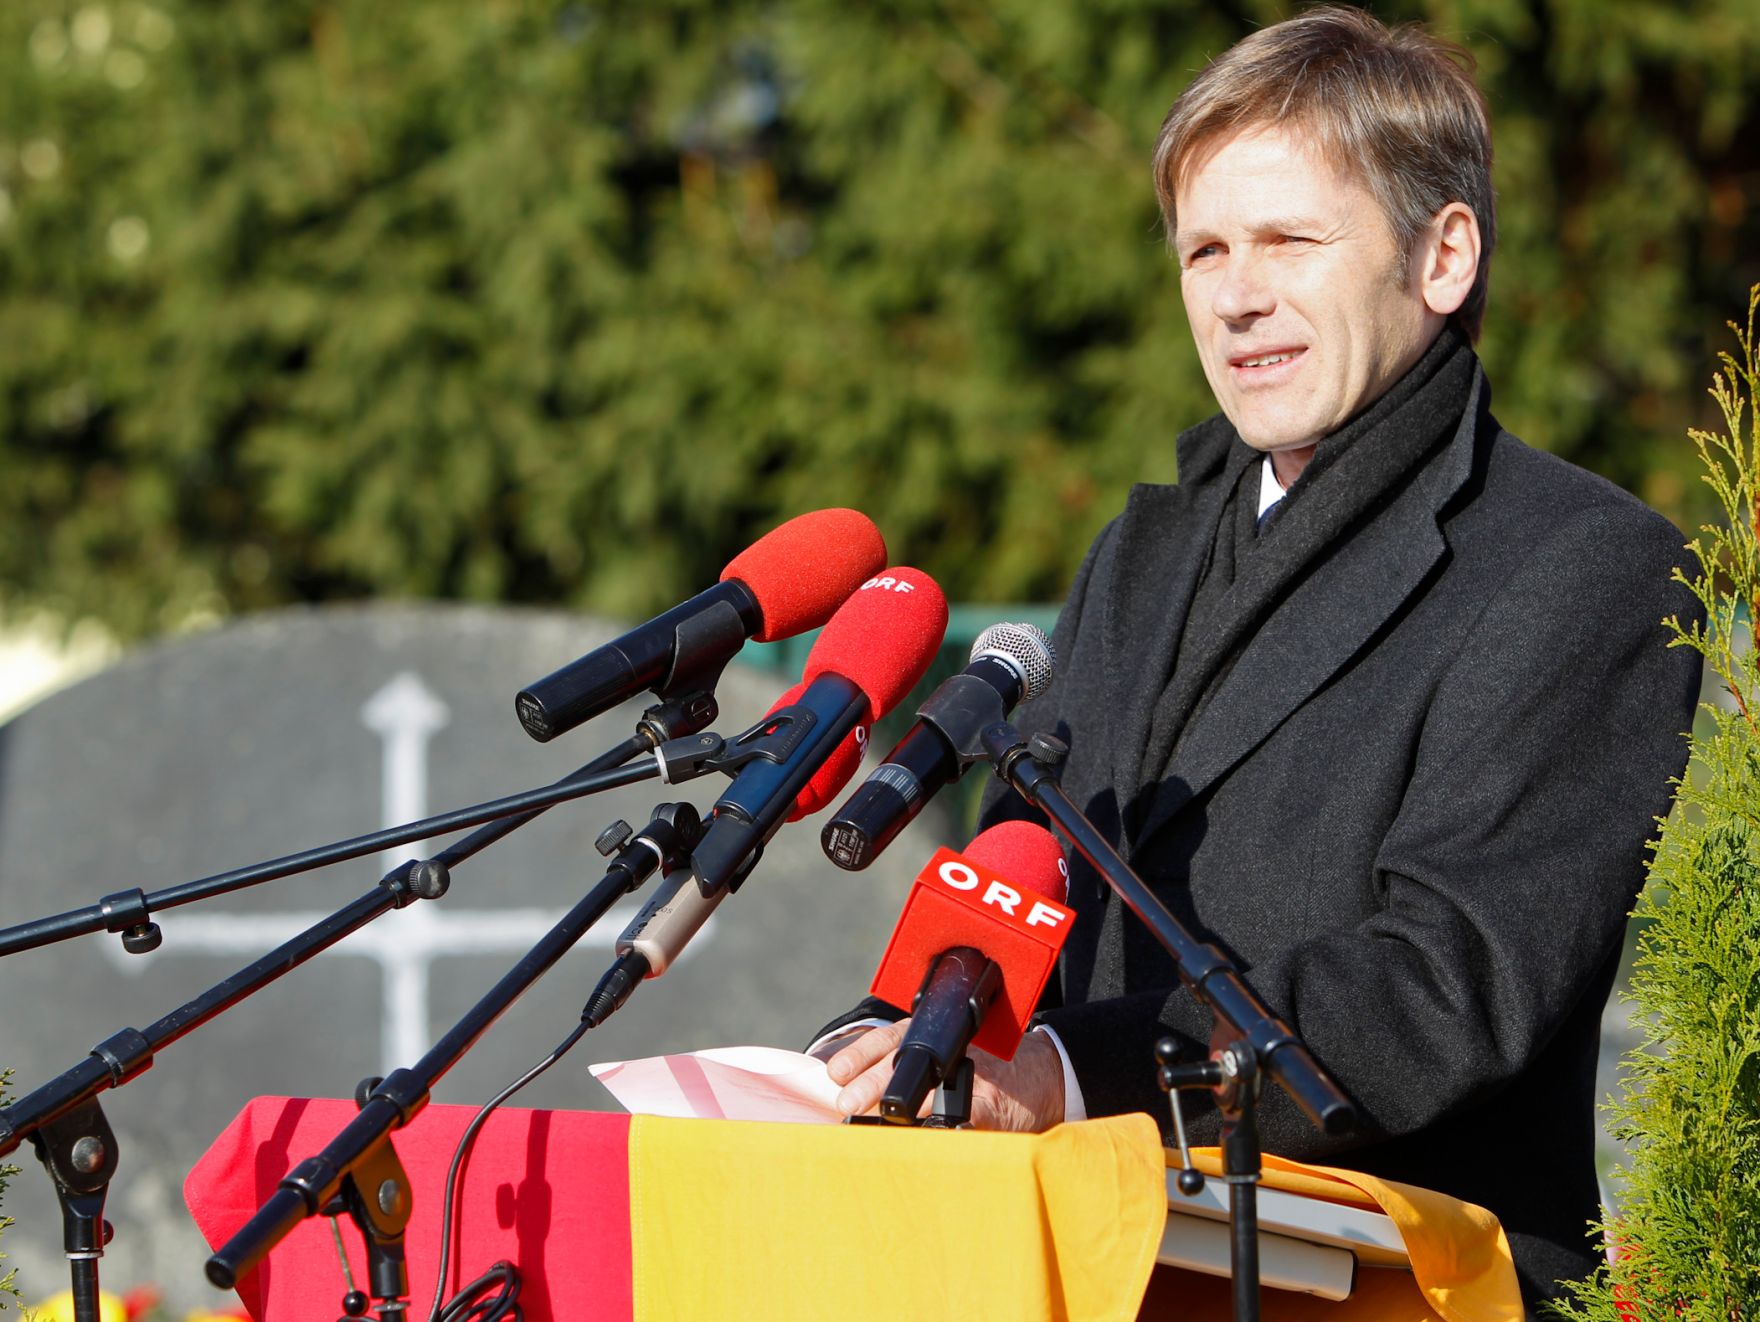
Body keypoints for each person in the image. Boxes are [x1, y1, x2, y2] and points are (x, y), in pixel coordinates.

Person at [813, 6, 1703, 1305]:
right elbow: (1018, 879)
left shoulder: (1580, 561)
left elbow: (1447, 979)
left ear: (1443, 253)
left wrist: (1070, 1077)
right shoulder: (1148, 545)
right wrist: (889, 1047)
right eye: (1205, 249)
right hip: (1074, 1261)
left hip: (1388, 1282)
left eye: (1290, 239)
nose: (1236, 293)